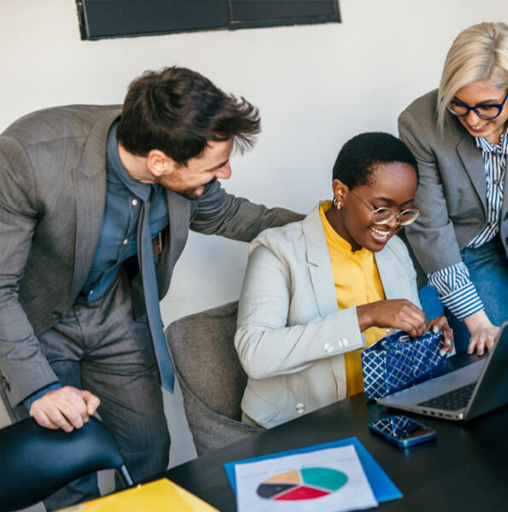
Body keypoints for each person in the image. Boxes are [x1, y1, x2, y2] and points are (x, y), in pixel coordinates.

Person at [0, 66, 301, 509]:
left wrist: (331, 225)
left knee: (148, 452)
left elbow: (232, 215)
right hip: (34, 320)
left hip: (115, 311)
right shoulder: (29, 157)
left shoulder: (179, 160)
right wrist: (39, 389)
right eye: (216, 165)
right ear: (159, 162)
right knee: (66, 476)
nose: (227, 172)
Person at [235, 132, 452, 429]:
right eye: (381, 208)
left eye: (403, 211)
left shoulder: (395, 252)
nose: (392, 224)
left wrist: (425, 336)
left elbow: (395, 342)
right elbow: (256, 354)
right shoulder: (278, 250)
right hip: (299, 425)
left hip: (378, 413)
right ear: (340, 192)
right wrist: (366, 315)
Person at [398, 22, 508, 356]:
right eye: (459, 105)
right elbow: (430, 228)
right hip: (423, 259)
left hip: (487, 252)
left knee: (490, 361)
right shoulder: (419, 123)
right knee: (431, 365)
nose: (474, 120)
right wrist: (475, 321)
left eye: (488, 107)